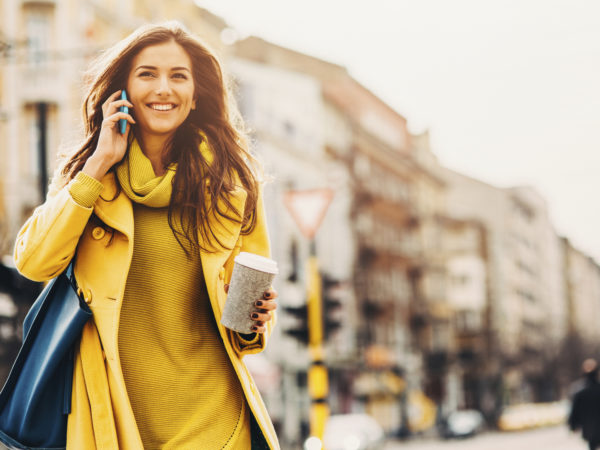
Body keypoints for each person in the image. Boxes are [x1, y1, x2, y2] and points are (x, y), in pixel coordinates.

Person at [13, 21, 279, 449]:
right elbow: (33, 262)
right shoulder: (87, 177)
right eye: (147, 74)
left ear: (195, 97)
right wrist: (98, 165)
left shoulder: (233, 187)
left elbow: (244, 327)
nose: (163, 88)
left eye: (179, 76)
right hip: (113, 417)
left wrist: (254, 321)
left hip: (213, 418)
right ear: (123, 92)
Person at [568, 358, 600, 450]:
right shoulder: (581, 392)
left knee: (592, 445)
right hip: (592, 426)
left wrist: (573, 424)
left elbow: (575, 410)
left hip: (589, 428)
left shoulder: (581, 392)